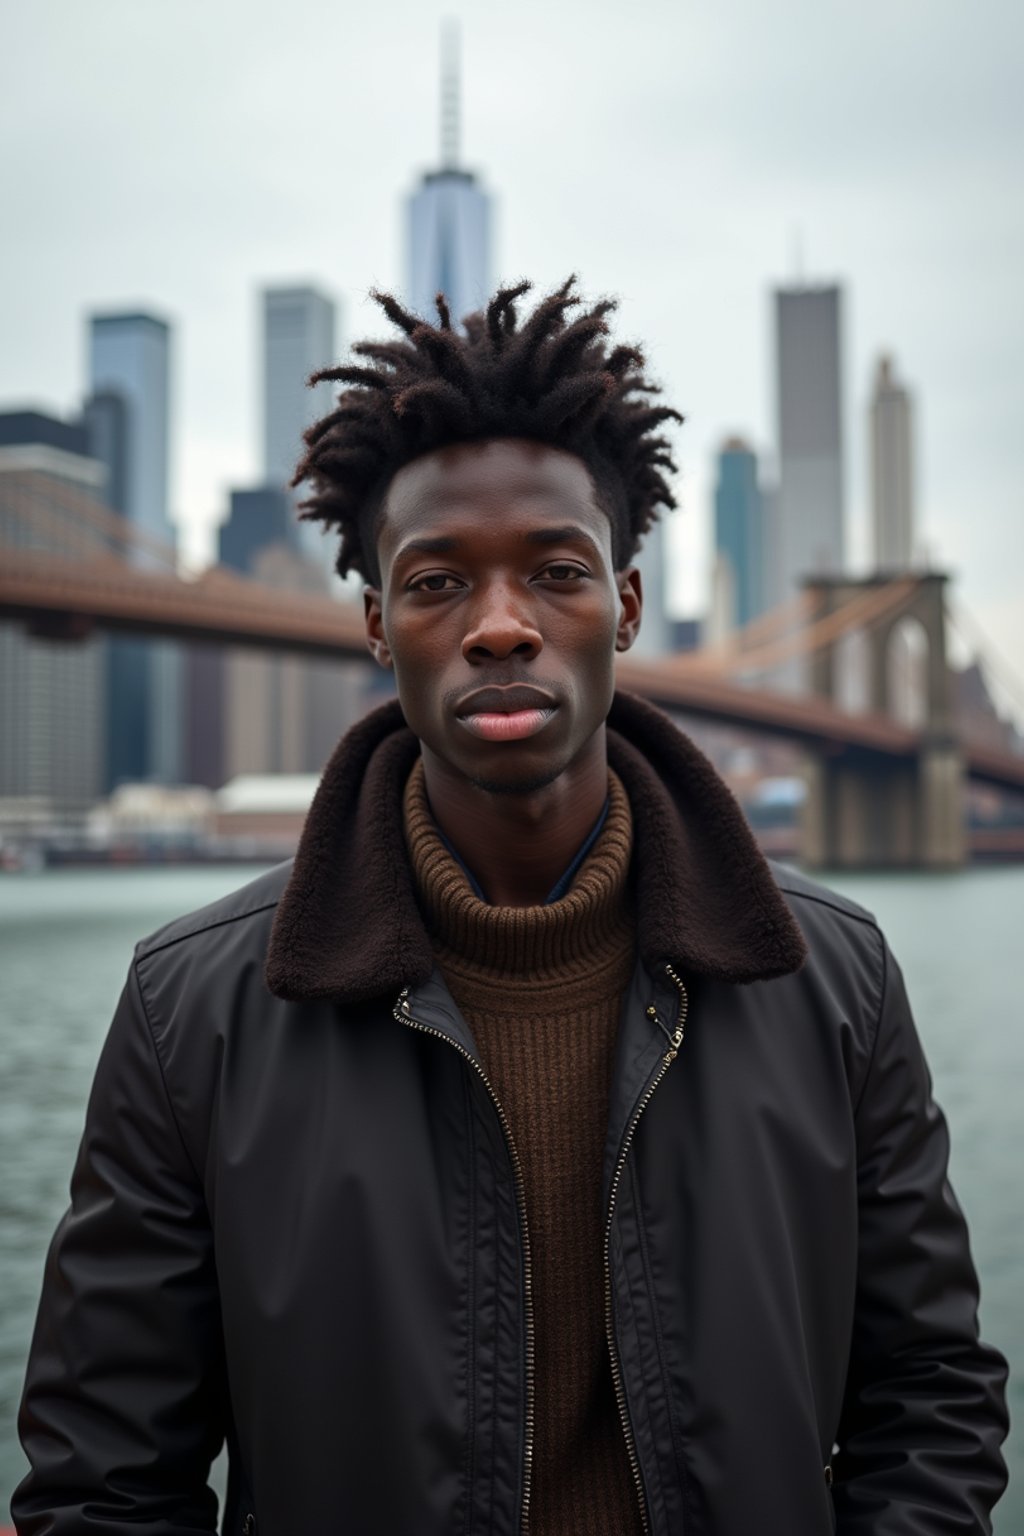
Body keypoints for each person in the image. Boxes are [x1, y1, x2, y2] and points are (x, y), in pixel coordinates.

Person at [14, 279, 1008, 1536]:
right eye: (435, 585)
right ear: (378, 624)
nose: (498, 627)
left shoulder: (831, 976)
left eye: (555, 572)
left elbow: (928, 1401)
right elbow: (107, 1486)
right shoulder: (192, 1011)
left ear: (626, 606)